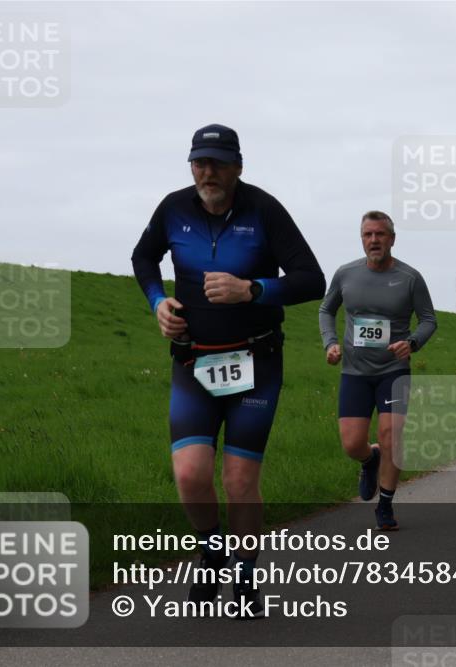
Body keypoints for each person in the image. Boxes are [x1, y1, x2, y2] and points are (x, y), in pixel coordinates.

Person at [132, 124, 326, 617]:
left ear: (238, 166)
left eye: (218, 162)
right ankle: (213, 551)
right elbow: (143, 256)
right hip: (193, 360)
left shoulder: (264, 210)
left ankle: (244, 572)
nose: (207, 171)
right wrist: (158, 301)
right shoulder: (173, 207)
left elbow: (311, 279)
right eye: (199, 161)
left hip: (256, 363)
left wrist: (254, 290)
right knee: (191, 473)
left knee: (240, 480)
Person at [319, 211, 437, 531]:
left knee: (391, 437)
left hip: (394, 371)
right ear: (362, 239)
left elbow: (429, 319)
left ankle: (385, 504)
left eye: (380, 234)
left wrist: (411, 343)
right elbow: (326, 309)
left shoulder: (410, 278)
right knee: (351, 444)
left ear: (392, 239)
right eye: (368, 235)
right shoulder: (346, 274)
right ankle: (368, 461)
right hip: (354, 371)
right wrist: (330, 342)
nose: (374, 240)